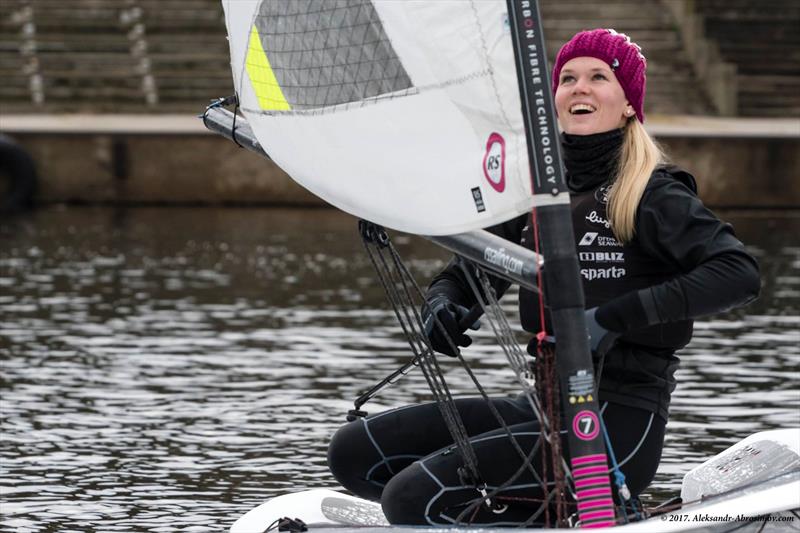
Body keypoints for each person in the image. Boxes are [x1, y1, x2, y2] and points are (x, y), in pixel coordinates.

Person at [327, 28, 760, 526]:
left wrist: (613, 318)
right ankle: (518, 515)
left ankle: (577, 508)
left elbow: (739, 273)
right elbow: (470, 273)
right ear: (552, 97)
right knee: (355, 453)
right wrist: (445, 305)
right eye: (568, 78)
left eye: (599, 77)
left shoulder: (653, 193)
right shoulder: (534, 193)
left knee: (408, 498)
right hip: (542, 404)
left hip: (616, 422)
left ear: (627, 104)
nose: (580, 87)